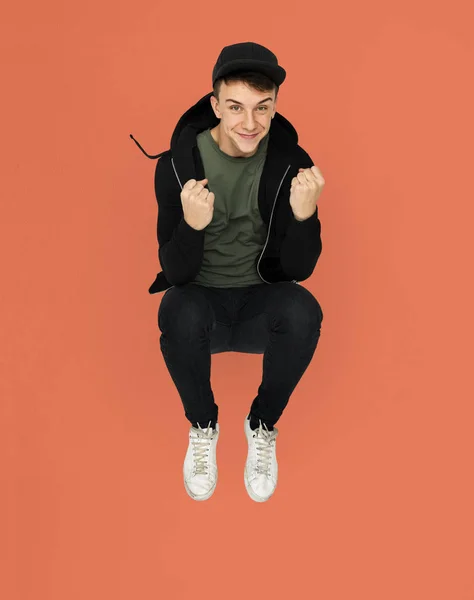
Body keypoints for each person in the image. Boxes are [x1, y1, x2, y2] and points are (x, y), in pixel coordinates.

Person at [130, 42, 325, 503]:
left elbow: (300, 270)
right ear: (215, 104)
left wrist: (304, 217)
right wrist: (192, 228)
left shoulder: (292, 163)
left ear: (275, 107)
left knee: (304, 312)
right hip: (202, 312)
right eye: (235, 107)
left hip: (262, 307)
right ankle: (203, 426)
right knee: (175, 308)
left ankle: (262, 425)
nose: (250, 124)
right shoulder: (177, 166)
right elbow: (174, 271)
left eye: (263, 108)